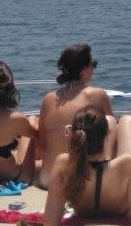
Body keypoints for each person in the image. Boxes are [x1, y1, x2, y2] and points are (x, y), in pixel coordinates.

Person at [44, 107, 131, 226]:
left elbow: (51, 223)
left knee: (109, 120)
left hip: (84, 213)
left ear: (74, 135)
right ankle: (106, 149)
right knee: (128, 120)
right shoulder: (128, 164)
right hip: (118, 207)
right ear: (107, 136)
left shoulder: (63, 164)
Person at [36, 44, 116, 188]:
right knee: (111, 122)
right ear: (84, 69)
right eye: (93, 65)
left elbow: (41, 146)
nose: (93, 69)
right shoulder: (97, 94)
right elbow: (112, 136)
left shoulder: (48, 99)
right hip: (82, 180)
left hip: (49, 178)